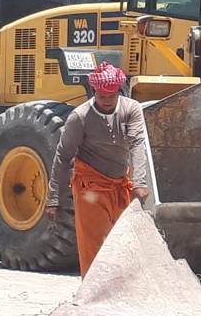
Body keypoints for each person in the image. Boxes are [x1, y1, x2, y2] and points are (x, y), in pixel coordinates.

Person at [46, 62, 149, 277]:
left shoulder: (131, 109)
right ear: (94, 92)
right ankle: (93, 289)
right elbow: (63, 157)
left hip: (120, 184)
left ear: (119, 91)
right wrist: (53, 198)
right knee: (95, 244)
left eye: (112, 96)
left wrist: (140, 183)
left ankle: (120, 289)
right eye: (102, 96)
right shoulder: (80, 117)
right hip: (90, 187)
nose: (107, 101)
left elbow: (138, 143)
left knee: (124, 241)